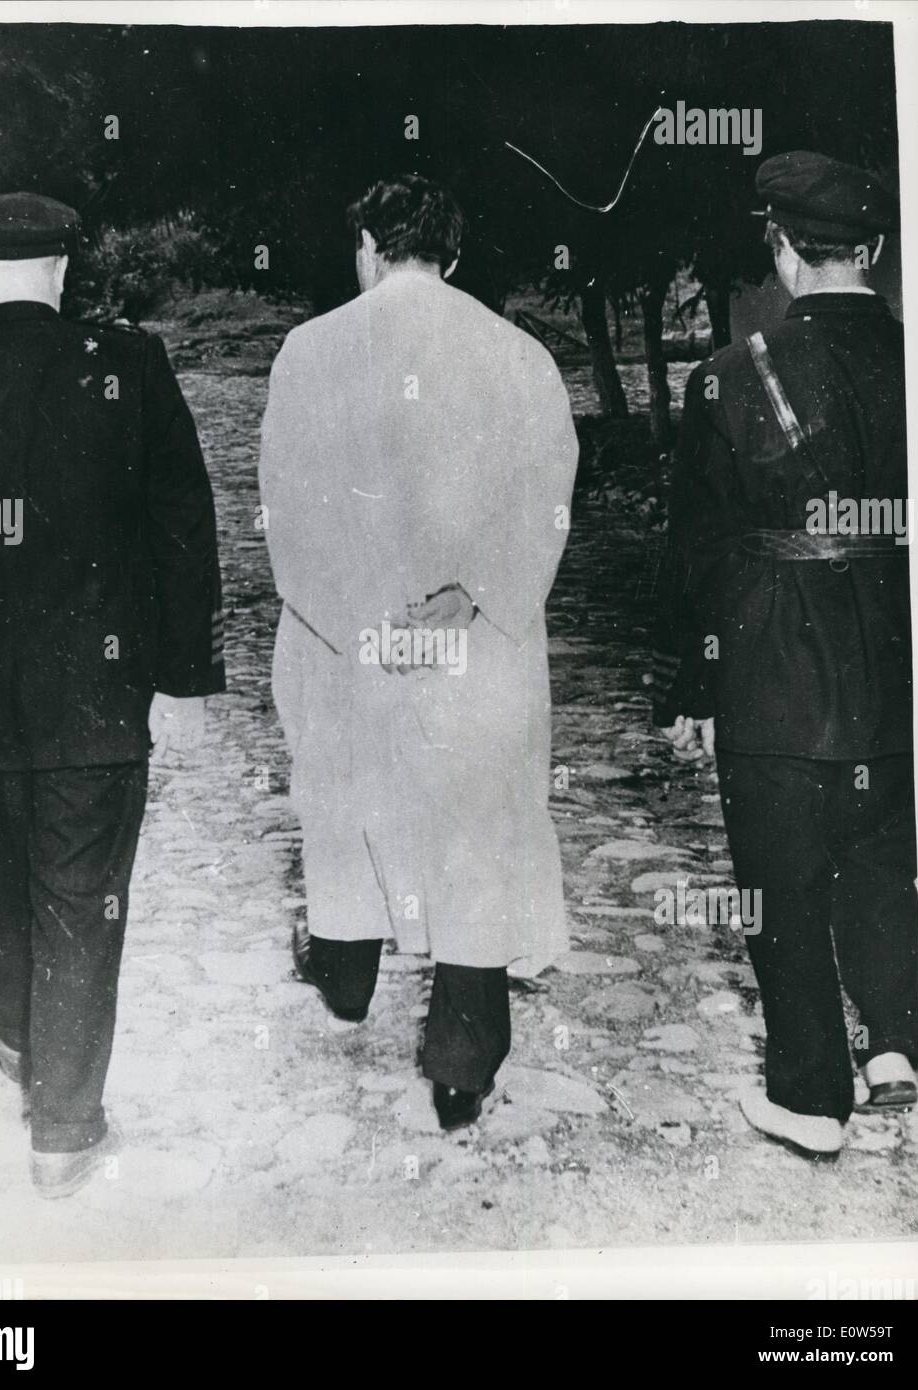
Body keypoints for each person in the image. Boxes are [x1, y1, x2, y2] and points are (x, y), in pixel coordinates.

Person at [0, 193, 226, 1197]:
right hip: (95, 700)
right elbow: (183, 528)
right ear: (59, 271)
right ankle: (64, 1133)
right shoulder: (128, 370)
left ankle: (11, 1029)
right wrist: (180, 681)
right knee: (80, 905)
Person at [259, 174, 578, 1130]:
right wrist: (477, 594)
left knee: (348, 803)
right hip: (470, 648)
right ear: (454, 254)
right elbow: (548, 498)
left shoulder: (308, 354)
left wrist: (357, 616)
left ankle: (348, 975)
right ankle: (461, 1068)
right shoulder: (518, 355)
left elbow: (286, 506)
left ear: (366, 245)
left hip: (348, 643)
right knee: (474, 829)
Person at [652, 151, 918, 1158]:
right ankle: (895, 1042)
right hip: (895, 645)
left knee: (782, 871)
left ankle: (810, 1096)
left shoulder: (727, 378)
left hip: (773, 655)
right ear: (875, 250)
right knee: (885, 847)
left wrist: (689, 683)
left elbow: (697, 551)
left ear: (783, 252)